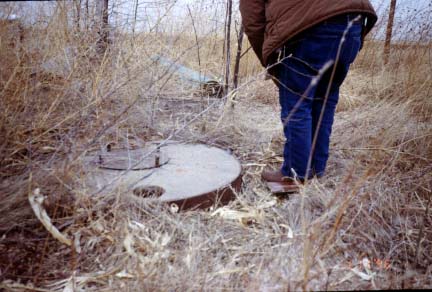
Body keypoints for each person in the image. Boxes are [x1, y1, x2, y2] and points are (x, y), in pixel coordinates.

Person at [240, 0, 377, 192]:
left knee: (297, 105)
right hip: (353, 21)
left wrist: (269, 59)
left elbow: (252, 19)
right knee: (325, 101)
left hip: (305, 29)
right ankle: (315, 169)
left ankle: (294, 176)